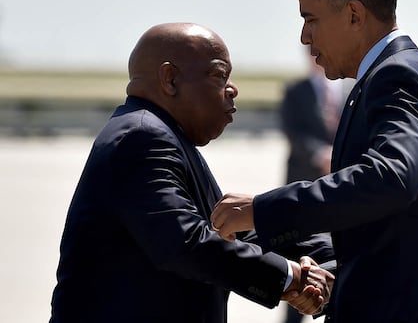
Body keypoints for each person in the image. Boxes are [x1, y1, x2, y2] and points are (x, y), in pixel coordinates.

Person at [211, 0, 418, 322]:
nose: (303, 37)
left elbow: (389, 179)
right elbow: (387, 227)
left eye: (310, 19)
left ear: (354, 15)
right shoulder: (386, 78)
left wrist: (261, 210)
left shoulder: (399, 78)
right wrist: (329, 272)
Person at [49, 22, 334, 323]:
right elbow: (187, 242)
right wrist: (292, 277)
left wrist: (329, 257)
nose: (232, 88)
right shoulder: (141, 137)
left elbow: (228, 227)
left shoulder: (165, 136)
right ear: (170, 79)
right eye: (218, 74)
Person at [279, 51, 348, 323]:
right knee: (298, 260)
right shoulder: (295, 91)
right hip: (303, 184)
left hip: (341, 188)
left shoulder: (350, 88)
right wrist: (319, 154)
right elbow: (291, 131)